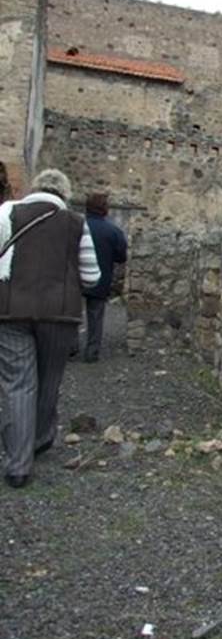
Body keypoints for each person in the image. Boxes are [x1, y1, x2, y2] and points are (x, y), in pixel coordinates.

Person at [0, 169, 100, 488]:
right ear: (64, 195)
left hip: (11, 311)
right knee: (49, 380)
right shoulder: (75, 223)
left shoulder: (8, 211)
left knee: (17, 383)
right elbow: (92, 276)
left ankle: (18, 465)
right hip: (59, 316)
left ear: (34, 188)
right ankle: (40, 439)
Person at [81, 193, 127, 363]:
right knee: (96, 316)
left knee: (73, 314)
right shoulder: (113, 231)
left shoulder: (77, 226)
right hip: (100, 278)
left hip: (75, 277)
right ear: (105, 209)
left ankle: (70, 347)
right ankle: (92, 351)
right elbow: (121, 257)